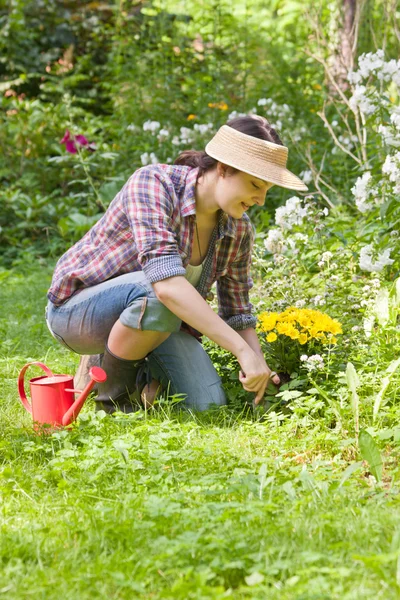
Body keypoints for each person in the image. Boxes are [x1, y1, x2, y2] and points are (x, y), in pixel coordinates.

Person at [45, 115, 308, 413]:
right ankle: (113, 404)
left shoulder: (239, 230)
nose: (260, 199)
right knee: (159, 291)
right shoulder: (154, 183)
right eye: (255, 185)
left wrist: (258, 364)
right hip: (77, 312)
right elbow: (167, 287)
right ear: (222, 168)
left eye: (266, 190)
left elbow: (238, 312)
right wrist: (239, 349)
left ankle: (136, 377)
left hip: (157, 318)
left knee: (205, 405)